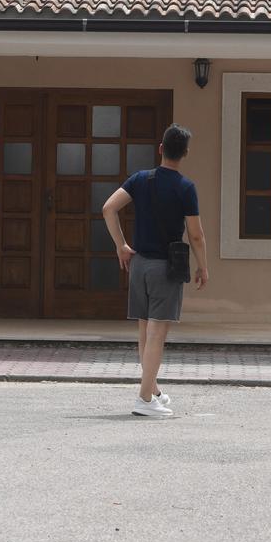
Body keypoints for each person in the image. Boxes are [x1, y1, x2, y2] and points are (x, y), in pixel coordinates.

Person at [102, 124, 209, 419]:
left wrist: (121, 245)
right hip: (166, 267)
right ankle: (144, 398)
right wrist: (203, 265)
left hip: (138, 265)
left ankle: (154, 392)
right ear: (184, 153)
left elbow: (108, 208)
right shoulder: (185, 188)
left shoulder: (140, 180)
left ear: (160, 148)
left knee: (144, 332)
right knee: (157, 335)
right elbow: (196, 234)